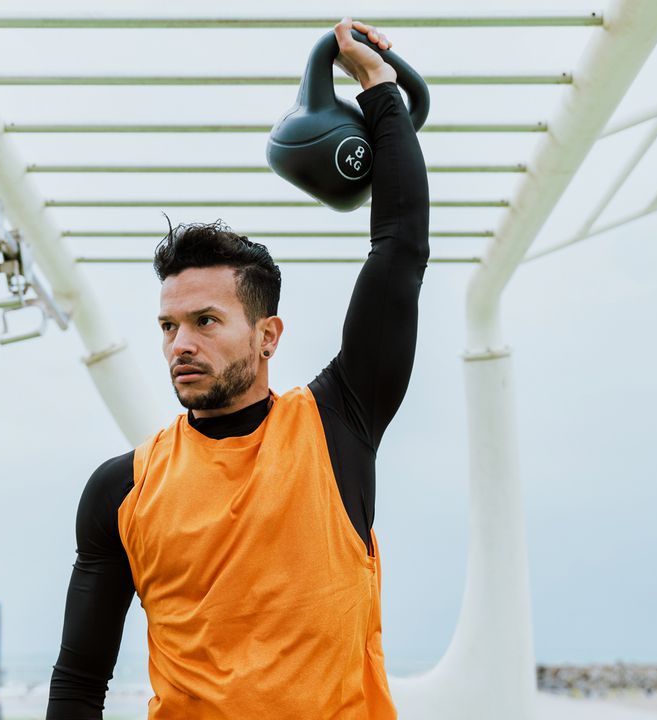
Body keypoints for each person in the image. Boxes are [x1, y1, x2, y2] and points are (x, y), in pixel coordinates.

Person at [46, 17, 429, 719]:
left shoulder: (337, 424)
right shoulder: (121, 490)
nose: (179, 345)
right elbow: (78, 683)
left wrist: (380, 90)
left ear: (268, 335)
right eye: (168, 326)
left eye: (206, 321)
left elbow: (398, 251)